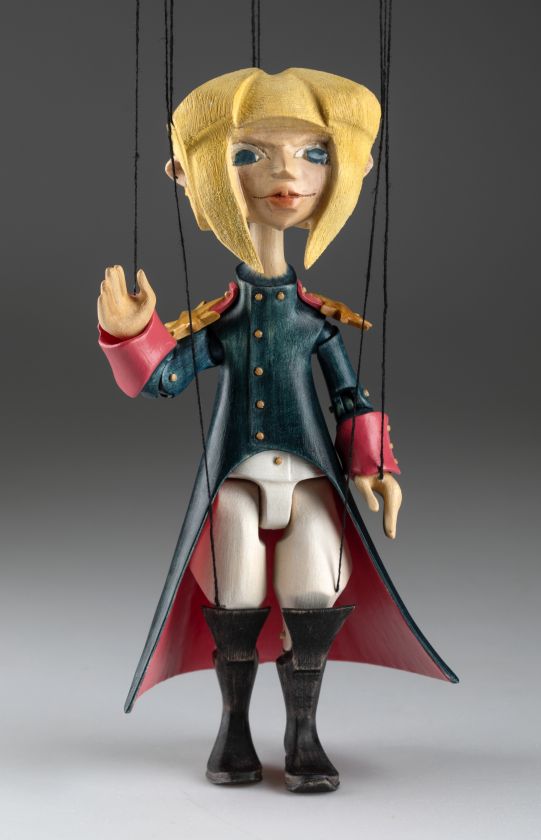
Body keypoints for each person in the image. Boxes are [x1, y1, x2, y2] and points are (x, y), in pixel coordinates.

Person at [98, 67, 457, 793]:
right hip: (236, 476)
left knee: (311, 591)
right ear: (192, 177)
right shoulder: (219, 322)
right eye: (250, 154)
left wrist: (375, 467)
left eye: (313, 154)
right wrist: (129, 334)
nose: (287, 175)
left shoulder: (316, 321)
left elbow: (349, 398)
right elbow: (165, 379)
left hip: (309, 476)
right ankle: (233, 727)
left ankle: (303, 734)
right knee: (234, 589)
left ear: (346, 170)